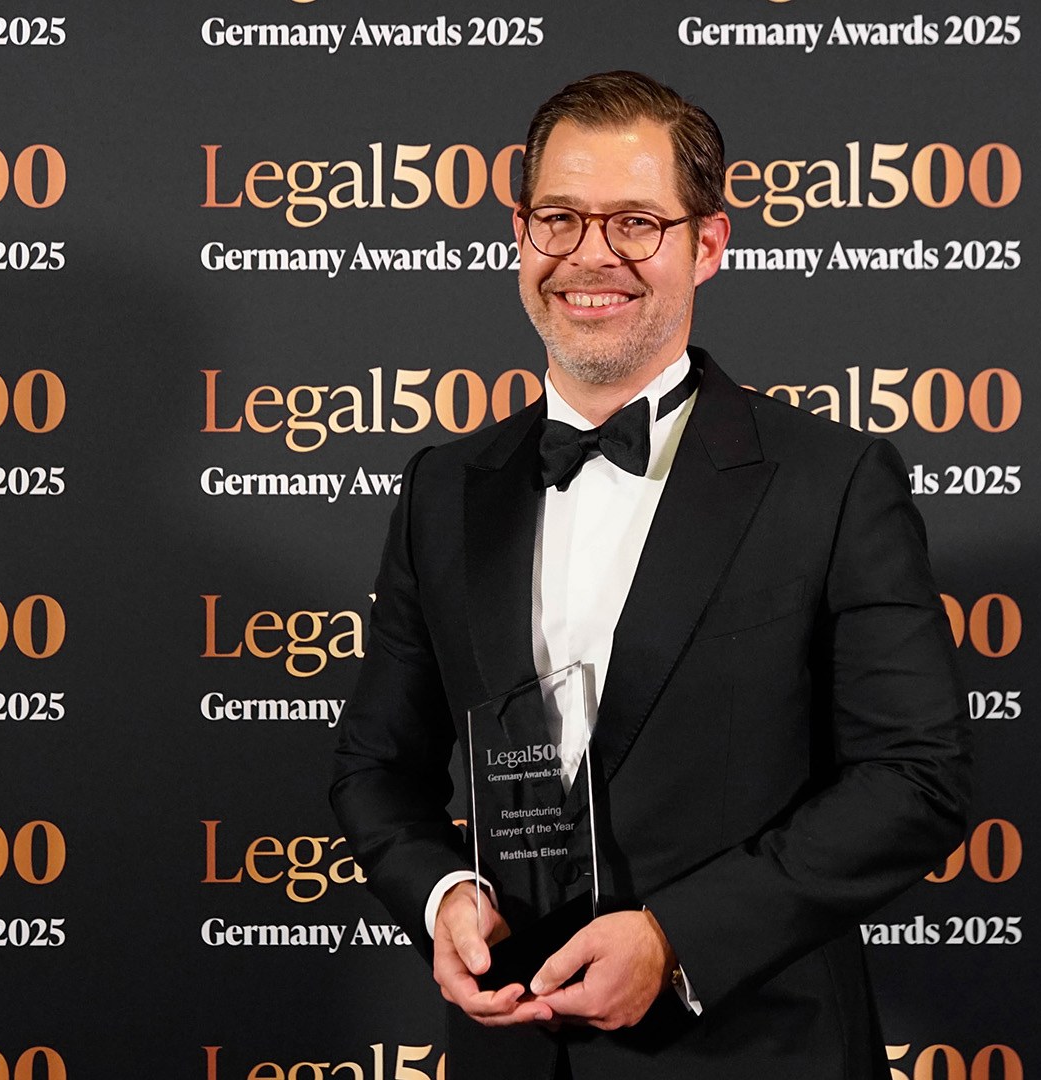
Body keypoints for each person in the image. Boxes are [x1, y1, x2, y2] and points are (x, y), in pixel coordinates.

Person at [331, 70, 970, 1080]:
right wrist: (441, 894)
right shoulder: (444, 489)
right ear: (520, 234)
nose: (592, 256)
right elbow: (375, 767)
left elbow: (914, 779)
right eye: (559, 218)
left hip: (754, 1051)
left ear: (707, 244)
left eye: (636, 222)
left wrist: (677, 940)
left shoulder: (833, 481)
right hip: (511, 1050)